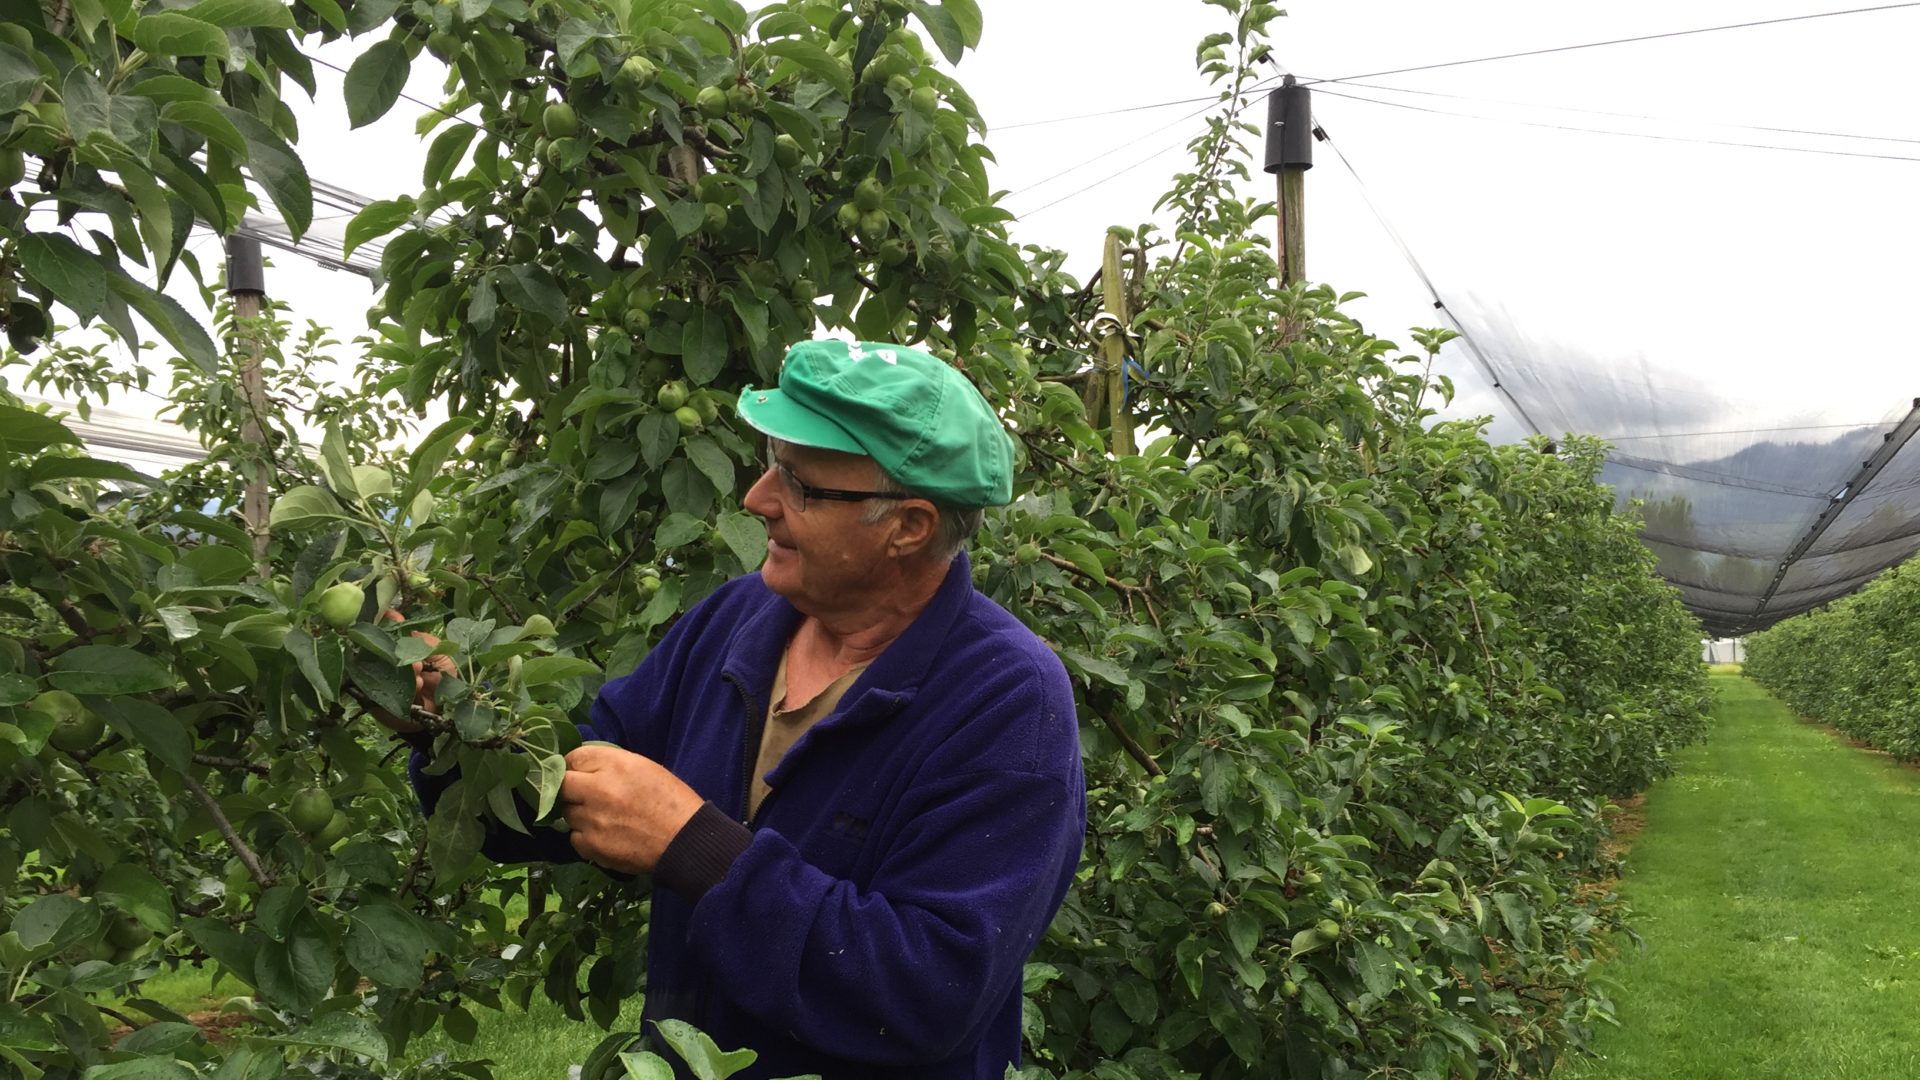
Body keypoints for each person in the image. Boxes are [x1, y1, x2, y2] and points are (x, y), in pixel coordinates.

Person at [401, 338, 1086, 1080]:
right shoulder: (744, 617)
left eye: (799, 484)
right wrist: (455, 733)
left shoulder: (1009, 702)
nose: (756, 499)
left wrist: (694, 848)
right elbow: (575, 781)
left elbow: (928, 995)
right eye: (770, 465)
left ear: (908, 527)